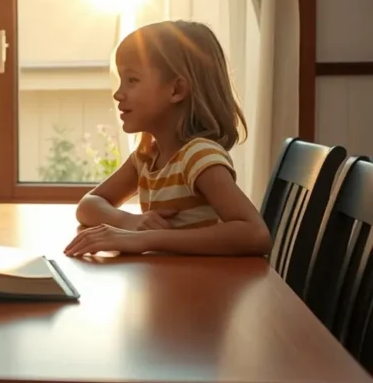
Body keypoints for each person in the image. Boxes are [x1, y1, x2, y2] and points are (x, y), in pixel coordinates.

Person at [64, 20, 272, 257]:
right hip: (166, 276)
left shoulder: (198, 157)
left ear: (176, 90)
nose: (118, 94)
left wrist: (147, 239)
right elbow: (89, 204)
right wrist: (130, 222)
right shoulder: (147, 157)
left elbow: (256, 234)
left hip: (199, 279)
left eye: (132, 80)